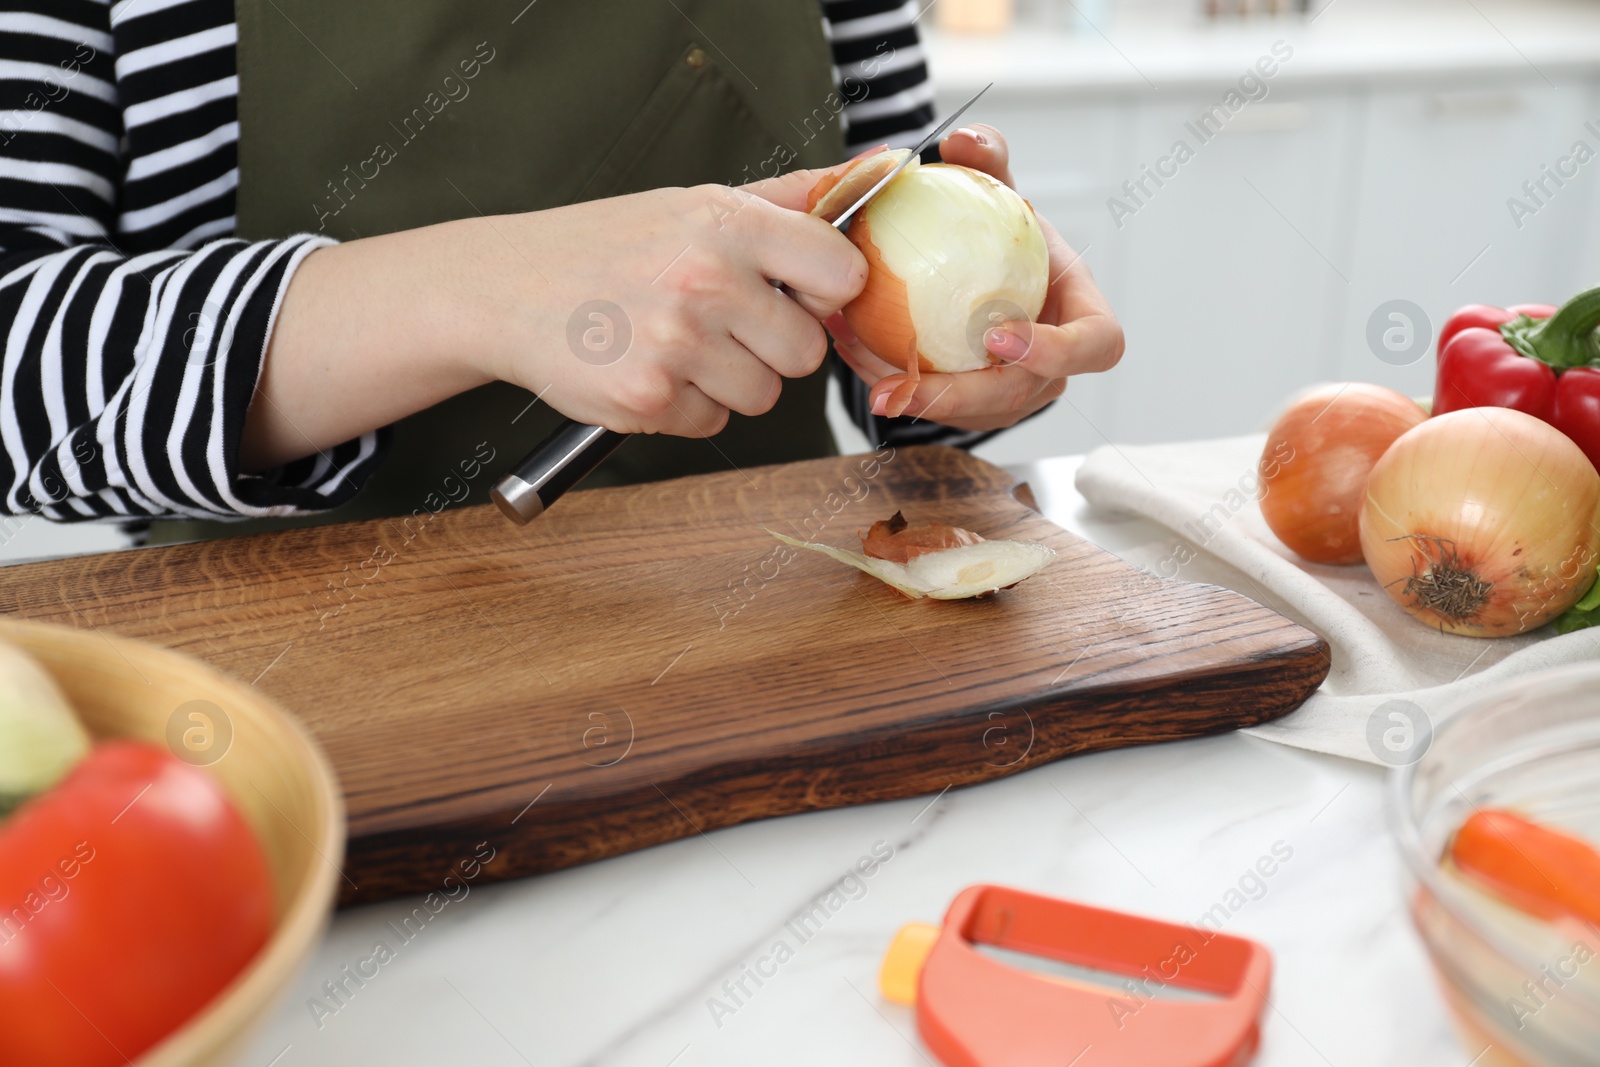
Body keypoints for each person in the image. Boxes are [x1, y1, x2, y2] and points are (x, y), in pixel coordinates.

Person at [0, 0, 1122, 540]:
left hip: (782, 656)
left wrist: (971, 354)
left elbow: (883, 310)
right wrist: (485, 291)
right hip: (298, 730)